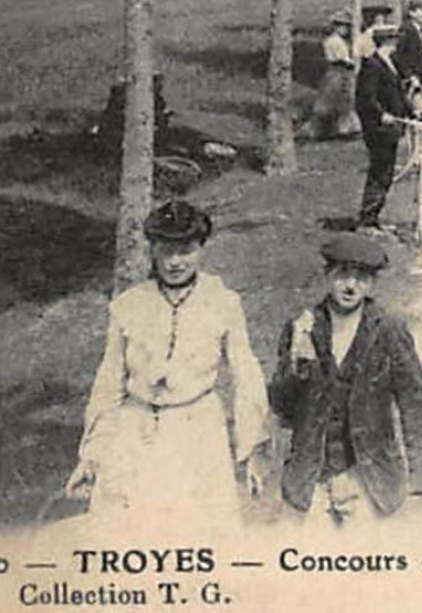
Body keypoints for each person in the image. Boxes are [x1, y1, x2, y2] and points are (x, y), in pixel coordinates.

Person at [67, 201, 272, 522]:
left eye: (186, 250)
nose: (175, 262)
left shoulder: (223, 303)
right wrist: (92, 456)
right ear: (153, 251)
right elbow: (109, 384)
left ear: (201, 249)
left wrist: (252, 449)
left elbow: (246, 375)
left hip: (198, 429)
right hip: (136, 431)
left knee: (194, 528)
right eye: (166, 251)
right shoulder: (129, 306)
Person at [269, 233, 422, 524]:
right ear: (327, 275)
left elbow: (414, 406)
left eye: (361, 277)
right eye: (342, 275)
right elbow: (281, 407)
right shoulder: (303, 326)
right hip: (312, 479)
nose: (350, 285)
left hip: (370, 478)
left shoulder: (389, 330)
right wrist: (298, 365)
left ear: (372, 283)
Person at [354, 23, 413, 229]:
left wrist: (413, 111)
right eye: (395, 39)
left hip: (392, 127)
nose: (397, 43)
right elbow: (365, 99)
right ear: (388, 41)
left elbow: (397, 94)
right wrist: (382, 115)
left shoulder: (389, 62)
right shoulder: (373, 65)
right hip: (378, 129)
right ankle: (367, 220)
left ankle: (374, 218)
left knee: (386, 173)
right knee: (380, 172)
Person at [303, 10, 362, 140]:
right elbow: (340, 58)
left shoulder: (341, 41)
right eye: (342, 26)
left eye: (347, 26)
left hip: (343, 72)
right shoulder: (333, 41)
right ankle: (321, 130)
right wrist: (351, 62)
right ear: (336, 27)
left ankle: (344, 129)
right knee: (330, 101)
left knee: (345, 102)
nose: (345, 29)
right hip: (337, 71)